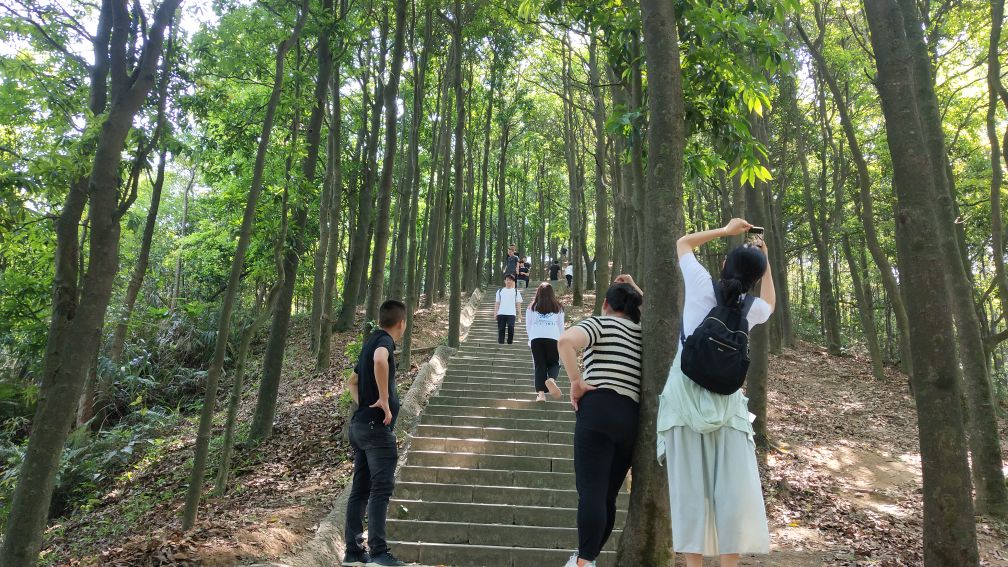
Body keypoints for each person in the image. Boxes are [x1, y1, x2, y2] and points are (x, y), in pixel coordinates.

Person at [657, 218, 775, 567]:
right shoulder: (750, 310)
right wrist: (765, 263)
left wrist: (726, 232)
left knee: (690, 491)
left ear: (724, 266)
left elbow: (683, 243)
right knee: (731, 493)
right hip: (727, 408)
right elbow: (769, 302)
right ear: (753, 279)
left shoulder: (699, 285)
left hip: (683, 399)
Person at [558, 282, 644, 567]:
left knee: (592, 492)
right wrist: (633, 287)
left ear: (606, 304)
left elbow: (565, 342)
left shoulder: (601, 324)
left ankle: (583, 562)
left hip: (598, 408)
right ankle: (587, 559)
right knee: (607, 496)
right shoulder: (644, 333)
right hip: (632, 419)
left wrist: (575, 381)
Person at [343, 300, 410, 567]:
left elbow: (352, 382)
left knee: (360, 489)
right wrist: (382, 399)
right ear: (401, 323)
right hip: (376, 429)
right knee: (381, 489)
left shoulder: (369, 341)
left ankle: (354, 552)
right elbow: (380, 360)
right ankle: (379, 553)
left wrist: (364, 404)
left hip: (359, 427)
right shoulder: (384, 344)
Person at [526, 282, 565, 402]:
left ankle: (541, 395)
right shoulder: (558, 307)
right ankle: (552, 380)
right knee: (554, 363)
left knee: (539, 365)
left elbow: (529, 325)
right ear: (552, 294)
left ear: (538, 293)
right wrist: (561, 341)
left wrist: (530, 339)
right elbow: (560, 326)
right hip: (553, 337)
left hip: (536, 338)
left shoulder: (532, 307)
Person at [494, 274, 522, 344]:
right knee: (501, 329)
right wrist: (495, 313)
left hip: (511, 313)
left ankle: (510, 342)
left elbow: (518, 303)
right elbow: (497, 303)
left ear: (513, 281)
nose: (509, 281)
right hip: (501, 313)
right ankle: (501, 343)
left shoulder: (516, 291)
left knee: (511, 328)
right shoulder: (500, 291)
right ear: (504, 281)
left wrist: (520, 314)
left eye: (510, 280)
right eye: (507, 280)